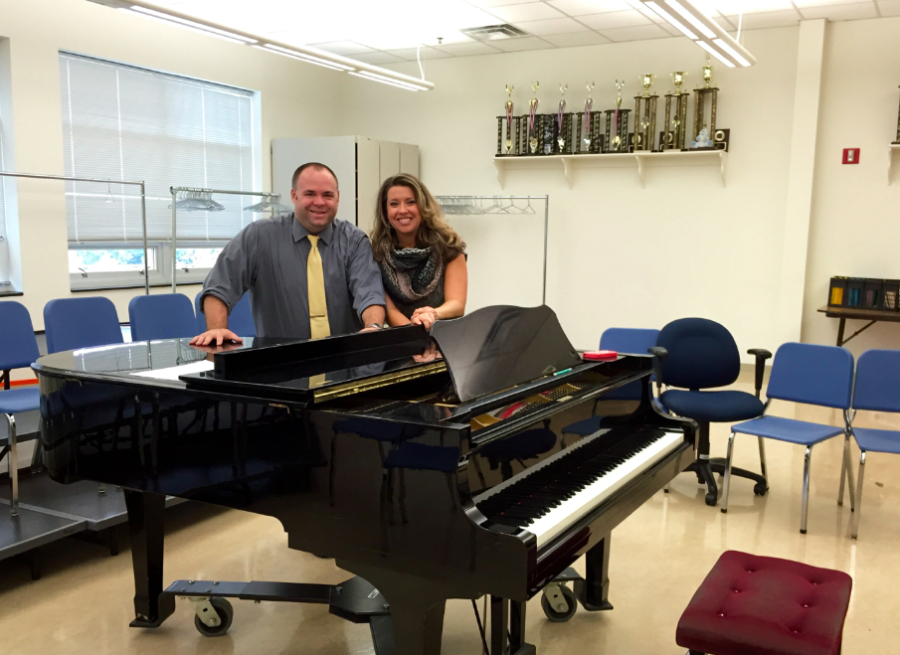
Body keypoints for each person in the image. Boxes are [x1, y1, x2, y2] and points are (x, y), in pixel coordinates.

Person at [191, 163, 386, 346]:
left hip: (344, 364)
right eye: (310, 193)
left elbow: (370, 294)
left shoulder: (354, 240)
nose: (319, 202)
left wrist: (373, 326)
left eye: (327, 195)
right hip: (279, 363)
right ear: (294, 196)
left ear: (337, 197)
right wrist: (217, 330)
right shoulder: (258, 237)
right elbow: (219, 287)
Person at [370, 174, 467, 332]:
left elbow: (456, 304)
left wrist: (431, 315)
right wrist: (416, 335)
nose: (402, 210)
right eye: (394, 204)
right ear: (385, 211)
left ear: (423, 206)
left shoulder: (448, 246)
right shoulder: (377, 253)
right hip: (403, 338)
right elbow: (389, 310)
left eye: (410, 202)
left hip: (446, 338)